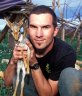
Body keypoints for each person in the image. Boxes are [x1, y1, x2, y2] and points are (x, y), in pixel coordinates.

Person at [4, 5, 76, 96]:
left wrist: (33, 63)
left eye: (45, 27)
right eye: (34, 27)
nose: (39, 34)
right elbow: (7, 82)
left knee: (71, 75)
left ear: (55, 31)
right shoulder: (23, 45)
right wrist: (13, 62)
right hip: (33, 91)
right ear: (28, 30)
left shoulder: (66, 53)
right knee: (22, 73)